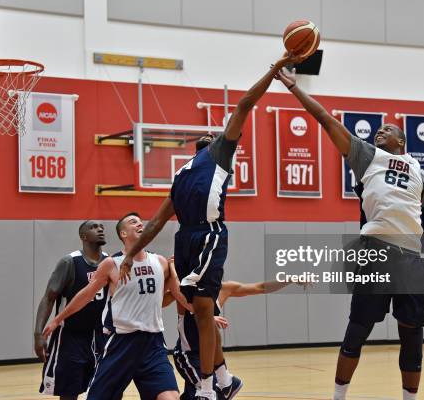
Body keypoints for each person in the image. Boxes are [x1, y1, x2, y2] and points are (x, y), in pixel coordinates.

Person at [116, 53, 300, 400]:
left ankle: (207, 386)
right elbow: (156, 221)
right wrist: (131, 255)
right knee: (195, 306)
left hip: (209, 233)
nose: (214, 133)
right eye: (211, 134)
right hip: (185, 235)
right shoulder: (181, 173)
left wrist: (274, 70)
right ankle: (223, 379)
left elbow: (245, 103)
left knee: (204, 308)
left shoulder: (221, 154)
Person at [275, 67, 424, 400]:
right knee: (357, 330)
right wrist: (294, 88)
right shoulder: (369, 157)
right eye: (377, 129)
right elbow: (327, 122)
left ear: (401, 142)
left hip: (411, 262)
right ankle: (338, 396)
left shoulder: (418, 172)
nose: (380, 131)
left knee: (412, 335)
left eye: (387, 129)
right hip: (377, 253)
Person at [43, 213, 191, 400]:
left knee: (169, 397)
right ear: (123, 233)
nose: (139, 224)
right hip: (121, 343)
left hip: (152, 344)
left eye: (140, 222)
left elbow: (178, 295)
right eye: (133, 222)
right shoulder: (111, 264)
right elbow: (86, 294)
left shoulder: (160, 262)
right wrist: (58, 319)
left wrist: (205, 315)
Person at [167, 278, 301, 400]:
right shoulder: (186, 290)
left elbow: (260, 287)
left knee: (198, 395)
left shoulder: (224, 289)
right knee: (211, 392)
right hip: (189, 356)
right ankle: (230, 384)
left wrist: (290, 279)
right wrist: (171, 267)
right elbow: (170, 297)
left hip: (210, 359)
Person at [34, 220, 109, 400]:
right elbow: (48, 298)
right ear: (83, 236)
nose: (100, 229)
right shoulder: (70, 261)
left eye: (102, 227)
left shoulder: (109, 262)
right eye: (93, 227)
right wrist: (38, 335)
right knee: (69, 393)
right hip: (70, 337)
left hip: (99, 336)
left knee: (106, 389)